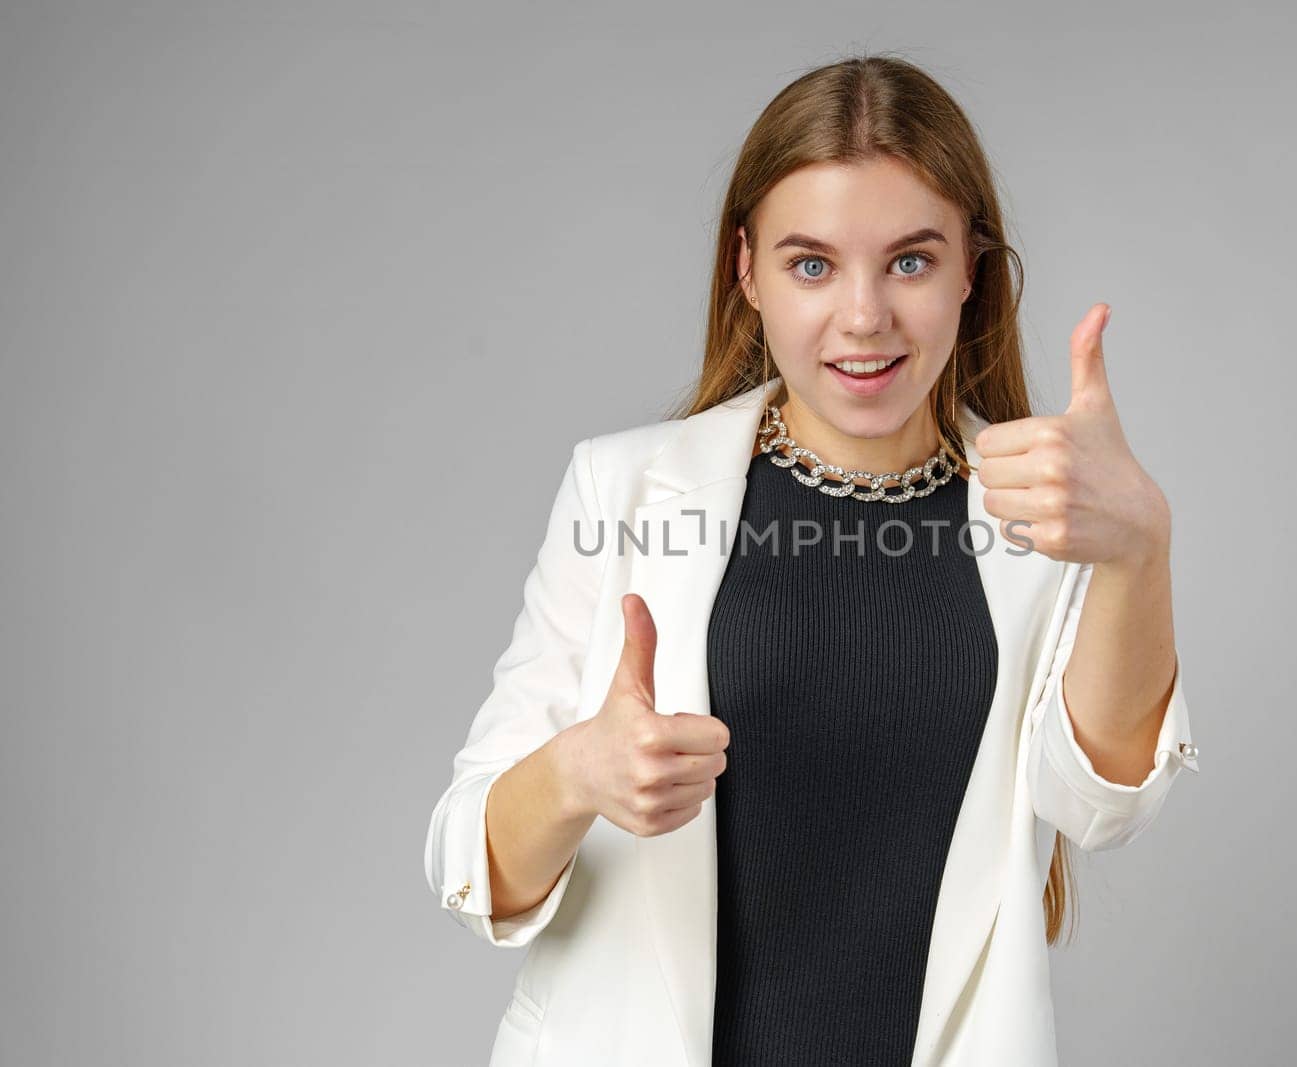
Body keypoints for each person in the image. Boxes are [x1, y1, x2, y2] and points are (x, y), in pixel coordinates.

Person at [423, 53, 1201, 1067]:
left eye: (911, 261)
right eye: (812, 263)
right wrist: (577, 773)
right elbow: (470, 867)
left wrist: (1139, 546)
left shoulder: (1045, 514)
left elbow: (1097, 805)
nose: (864, 315)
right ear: (745, 271)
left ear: (973, 267)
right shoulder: (622, 491)